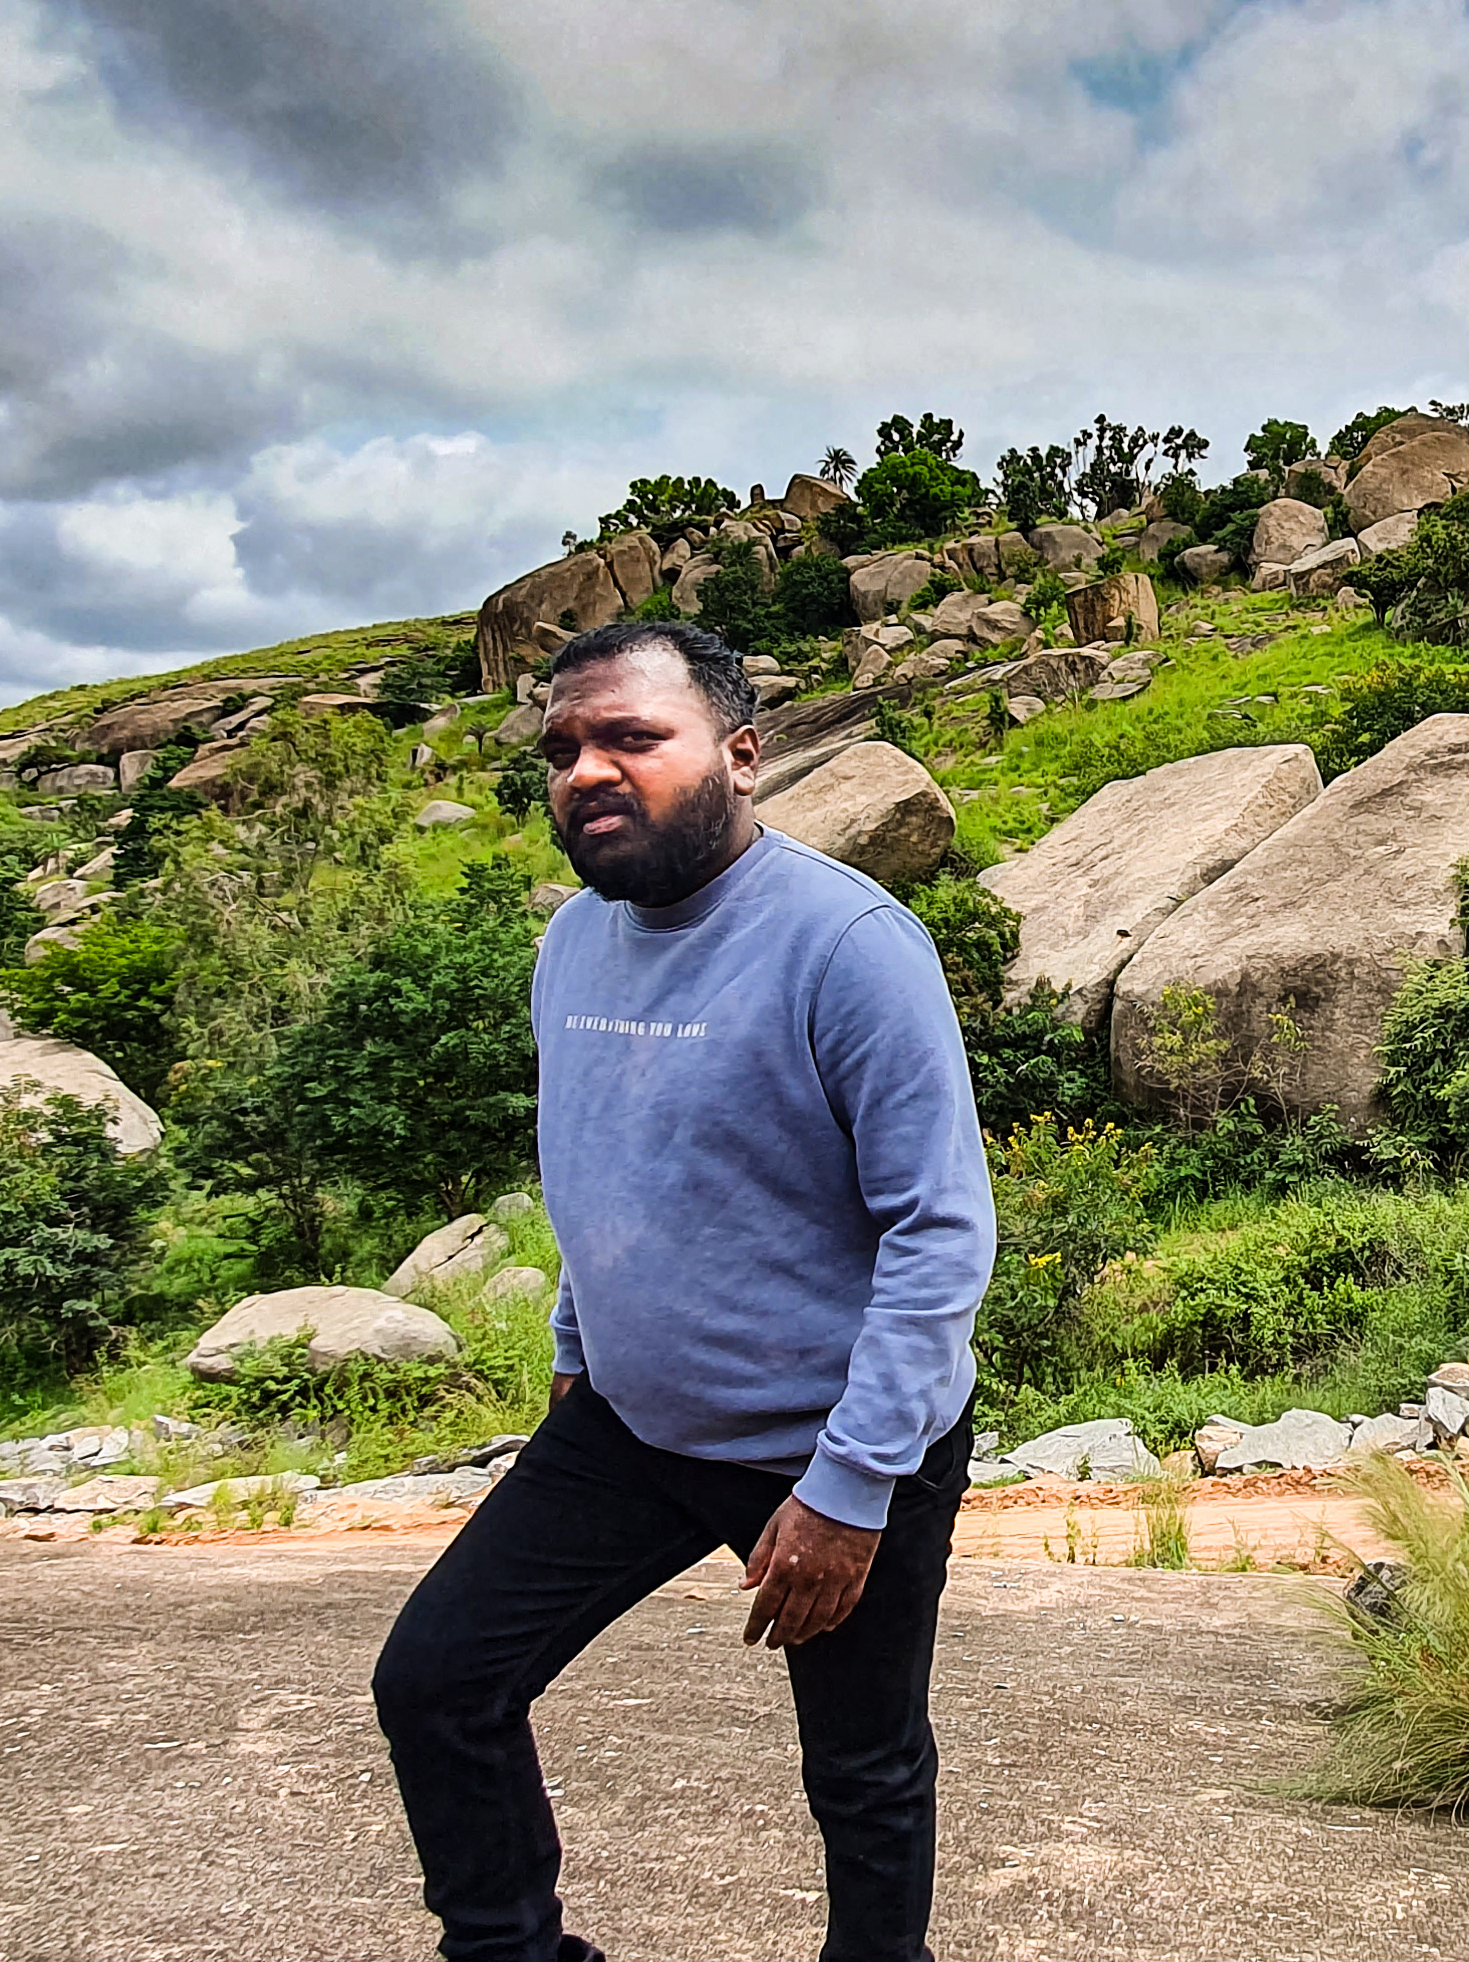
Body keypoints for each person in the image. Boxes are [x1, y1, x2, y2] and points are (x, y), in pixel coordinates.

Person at [372, 620, 994, 1962]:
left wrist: (849, 1489)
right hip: (630, 1427)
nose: (586, 770)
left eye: (631, 738)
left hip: (830, 1443)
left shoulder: (849, 944)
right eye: (561, 749)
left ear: (742, 755)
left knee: (863, 1773)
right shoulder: (572, 943)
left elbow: (940, 1230)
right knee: (437, 1683)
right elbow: (604, 1162)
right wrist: (575, 1342)